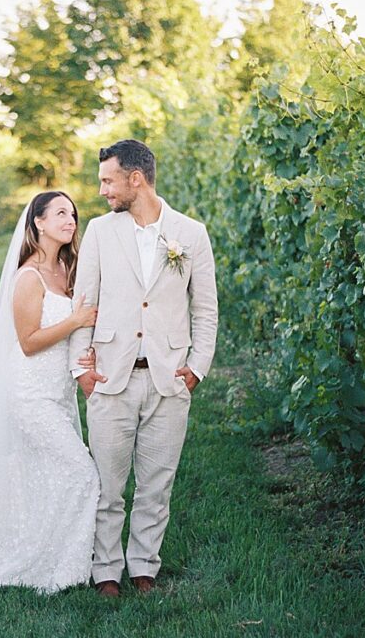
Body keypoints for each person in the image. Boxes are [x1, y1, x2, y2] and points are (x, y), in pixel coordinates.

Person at [69, 139, 218, 598]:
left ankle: (144, 566)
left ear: (136, 179)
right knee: (108, 485)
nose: (102, 190)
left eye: (108, 180)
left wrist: (196, 368)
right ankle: (106, 571)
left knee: (157, 483)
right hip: (111, 377)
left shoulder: (190, 234)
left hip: (168, 379)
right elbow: (85, 302)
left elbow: (206, 309)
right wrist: (83, 373)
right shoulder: (98, 231)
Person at [0, 191, 101, 594]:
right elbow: (29, 341)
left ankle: (30, 555)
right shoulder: (28, 276)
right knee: (81, 473)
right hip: (30, 393)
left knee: (34, 477)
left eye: (72, 213)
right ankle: (64, 570)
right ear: (37, 222)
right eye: (59, 213)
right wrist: (75, 322)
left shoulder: (67, 269)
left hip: (58, 392)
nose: (70, 220)